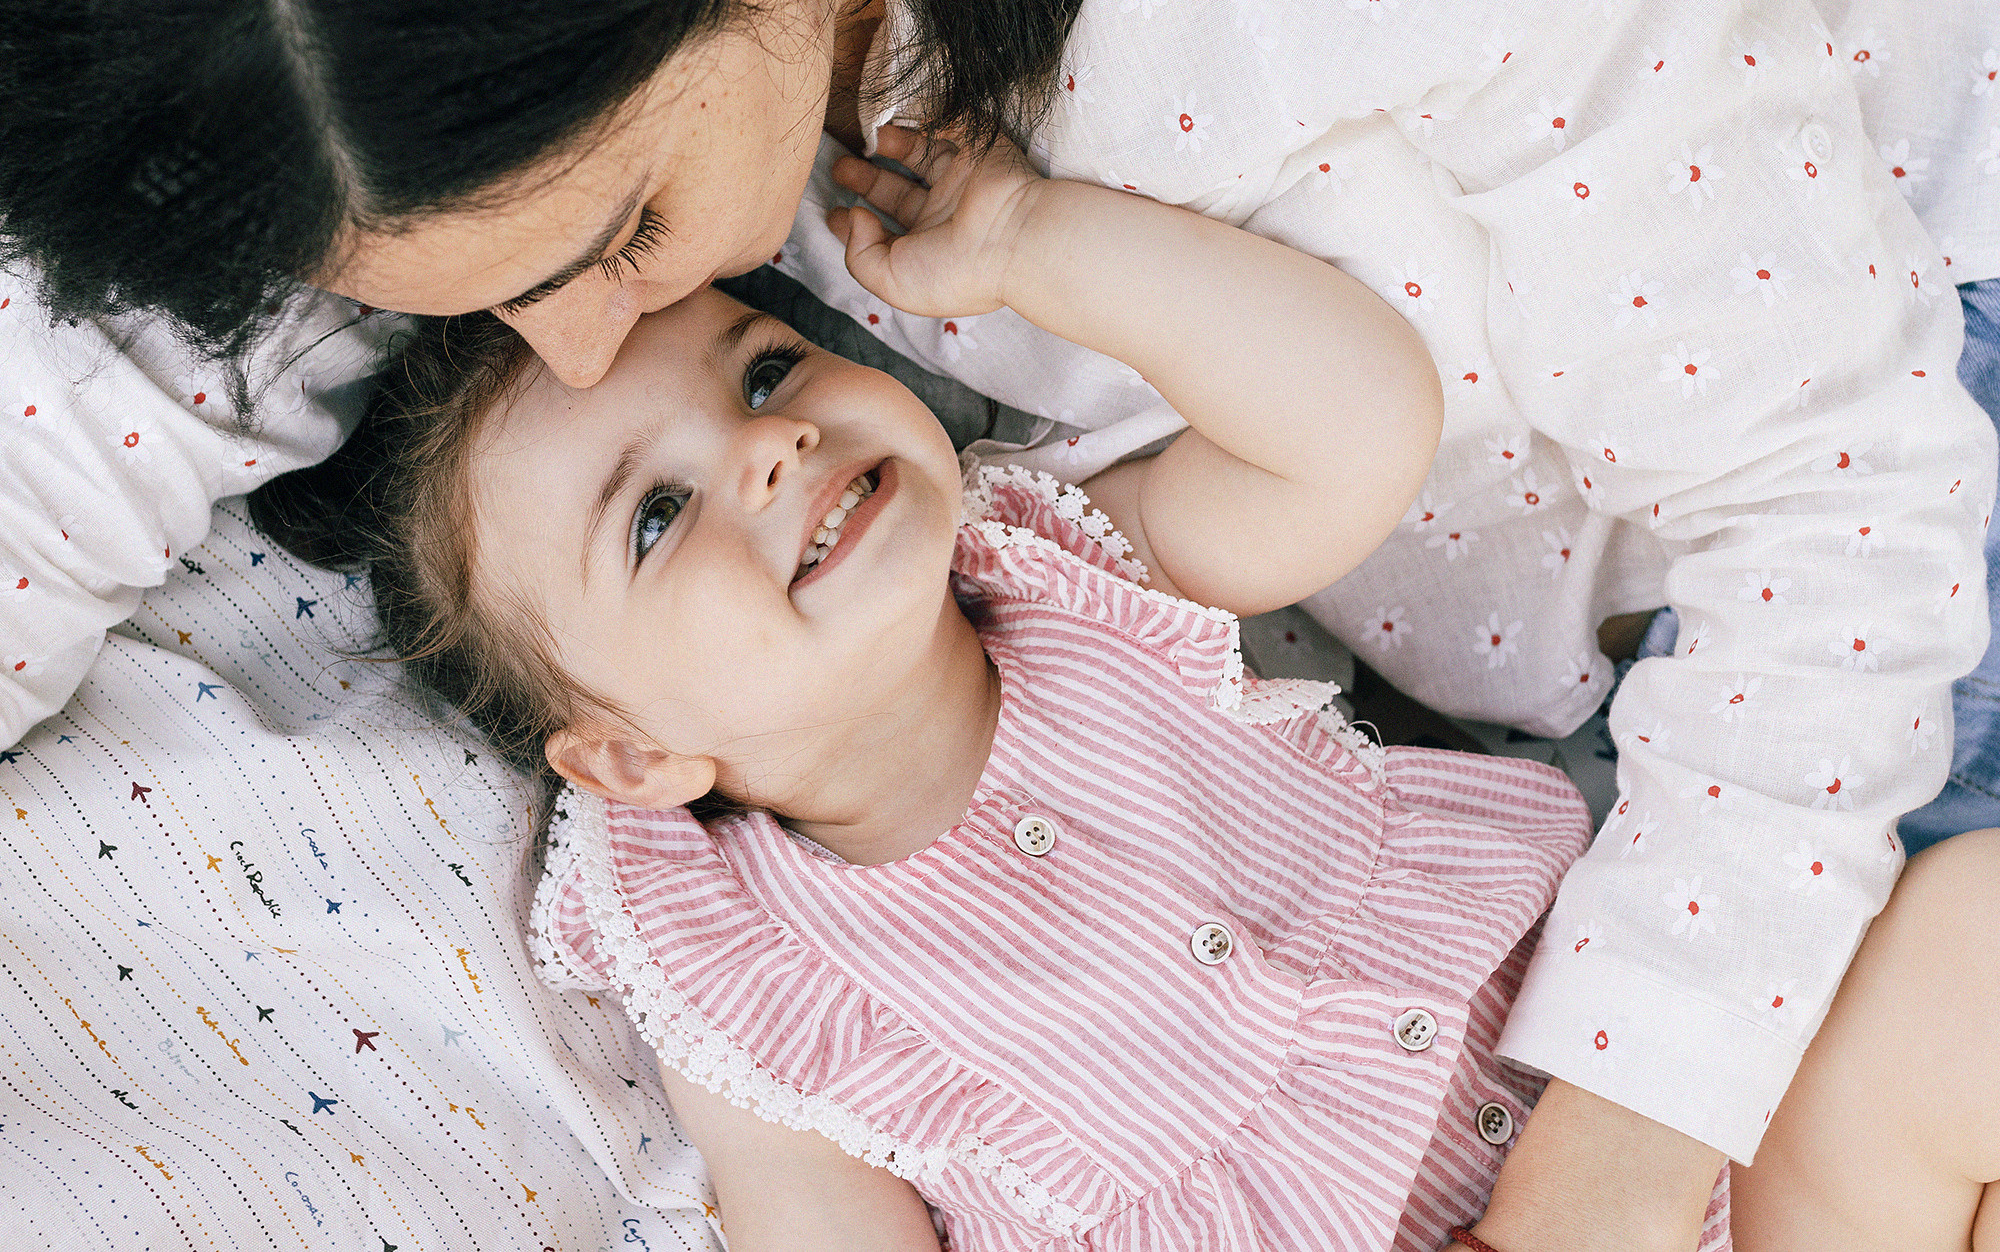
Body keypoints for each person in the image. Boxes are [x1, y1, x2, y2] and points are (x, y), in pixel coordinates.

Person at [3, 0, 1997, 1245]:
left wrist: (1605, 1188)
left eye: (618, 240)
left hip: (1906, 515)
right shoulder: (536, 76)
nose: (613, 337)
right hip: (1671, 772)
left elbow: (1839, 503)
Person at [265, 128, 2000, 1250]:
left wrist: (1038, 243)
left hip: (1680, 1150)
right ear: (633, 755)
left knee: (1964, 941)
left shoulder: (1065, 562)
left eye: (767, 366)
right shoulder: (728, 966)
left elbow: (1351, 428)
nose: (774, 444)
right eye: (657, 515)